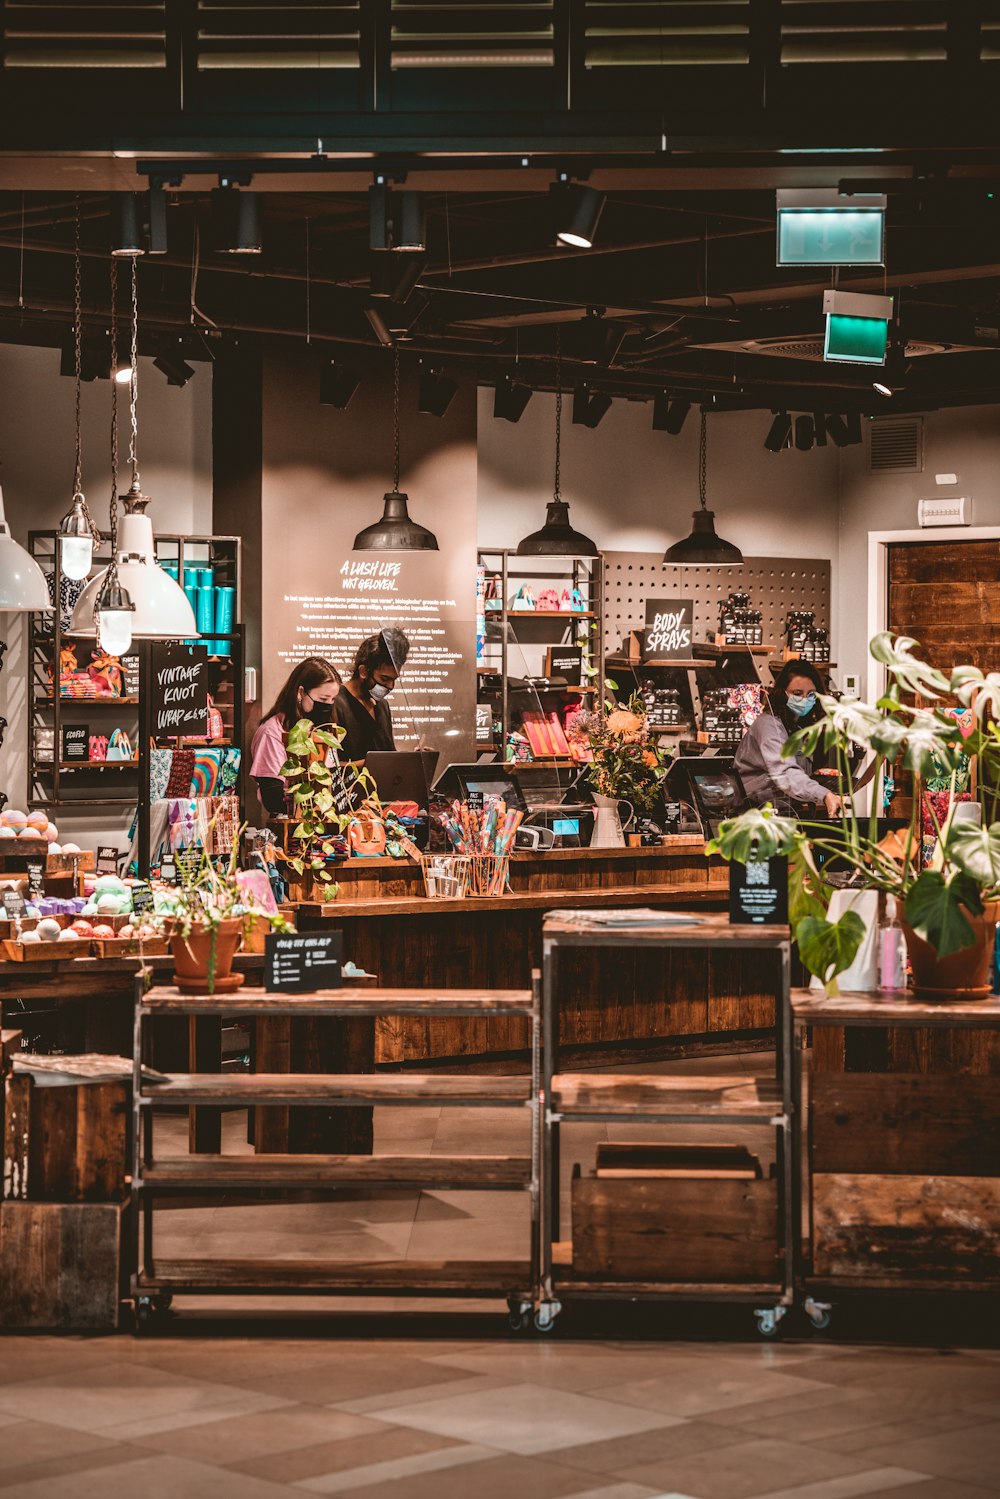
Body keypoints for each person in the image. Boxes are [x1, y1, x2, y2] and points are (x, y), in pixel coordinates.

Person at [734, 660, 842, 819]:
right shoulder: (769, 725)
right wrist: (823, 794)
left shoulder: (797, 726)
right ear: (782, 693)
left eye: (811, 694)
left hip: (784, 811)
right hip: (755, 814)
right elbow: (785, 773)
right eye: (797, 693)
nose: (805, 699)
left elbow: (796, 770)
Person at [250, 656, 342, 816]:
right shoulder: (273, 732)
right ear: (301, 693)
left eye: (332, 700)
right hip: (290, 826)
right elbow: (272, 797)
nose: (328, 705)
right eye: (323, 699)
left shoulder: (324, 731)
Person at [334, 628, 410, 762]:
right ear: (363, 671)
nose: (390, 686)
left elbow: (388, 755)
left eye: (394, 680)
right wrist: (370, 764)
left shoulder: (382, 706)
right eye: (384, 679)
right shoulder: (335, 703)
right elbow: (327, 767)